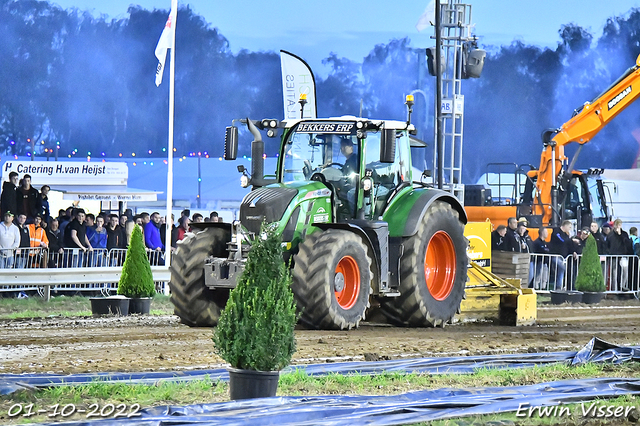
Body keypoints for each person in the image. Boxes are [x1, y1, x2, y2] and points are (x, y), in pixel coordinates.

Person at [548, 220, 576, 290]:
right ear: (565, 226)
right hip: (556, 255)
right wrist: (570, 239)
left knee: (561, 272)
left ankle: (559, 287)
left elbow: (569, 244)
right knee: (562, 268)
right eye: (569, 227)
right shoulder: (556, 231)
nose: (570, 229)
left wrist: (573, 251)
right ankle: (559, 286)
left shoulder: (566, 235)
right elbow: (562, 240)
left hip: (563, 257)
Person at [607, 219, 633, 291]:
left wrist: (620, 235)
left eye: (619, 225)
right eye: (617, 225)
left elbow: (627, 243)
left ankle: (623, 286)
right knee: (614, 273)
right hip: (613, 256)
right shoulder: (610, 235)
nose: (618, 226)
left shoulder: (624, 234)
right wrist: (609, 252)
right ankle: (614, 289)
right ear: (614, 225)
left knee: (625, 271)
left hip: (623, 255)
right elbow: (607, 245)